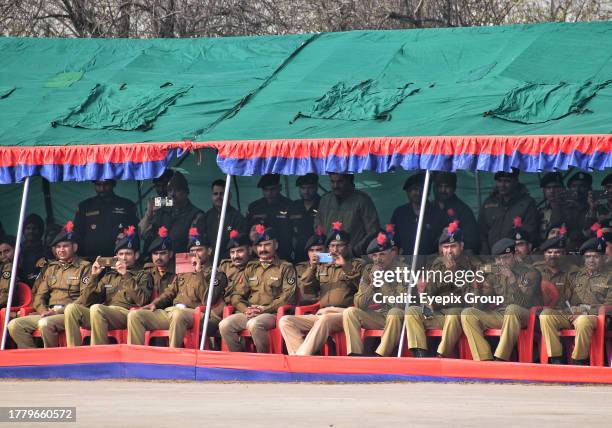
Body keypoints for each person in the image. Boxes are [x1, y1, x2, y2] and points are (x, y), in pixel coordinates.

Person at [128, 227, 227, 347]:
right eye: (192, 250)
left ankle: (172, 357)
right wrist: (155, 303)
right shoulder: (184, 271)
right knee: (136, 315)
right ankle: (135, 358)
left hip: (203, 316)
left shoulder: (217, 274)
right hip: (175, 312)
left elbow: (207, 300)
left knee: (178, 315)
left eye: (199, 250)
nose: (195, 254)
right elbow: (170, 291)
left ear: (210, 251)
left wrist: (199, 272)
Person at [279, 221, 363, 356]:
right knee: (286, 321)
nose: (335, 250)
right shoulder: (323, 266)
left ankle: (300, 359)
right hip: (322, 313)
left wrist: (346, 267)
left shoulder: (357, 265)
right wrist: (312, 268)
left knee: (324, 320)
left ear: (348, 247)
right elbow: (307, 290)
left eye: (339, 246)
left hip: (345, 315)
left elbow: (363, 289)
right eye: (332, 246)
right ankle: (302, 358)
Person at [64, 226, 153, 347]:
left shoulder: (143, 274)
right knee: (71, 308)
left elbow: (142, 301)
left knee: (97, 309)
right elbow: (86, 302)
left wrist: (126, 275)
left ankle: (98, 354)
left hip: (128, 314)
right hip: (103, 314)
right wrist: (94, 276)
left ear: (136, 255)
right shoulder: (109, 276)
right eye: (120, 254)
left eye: (128, 254)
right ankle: (74, 353)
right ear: (116, 256)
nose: (124, 257)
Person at [7, 222, 91, 348]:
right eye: (58, 247)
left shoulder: (85, 267)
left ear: (74, 247)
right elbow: (39, 296)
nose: (61, 250)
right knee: (15, 325)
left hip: (69, 315)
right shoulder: (51, 268)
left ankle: (53, 359)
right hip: (48, 313)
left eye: (65, 246)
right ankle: (34, 361)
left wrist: (57, 311)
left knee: (45, 324)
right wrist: (44, 311)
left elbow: (85, 298)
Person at [404, 221, 480, 358]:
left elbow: (472, 300)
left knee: (453, 313)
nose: (449, 251)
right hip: (440, 314)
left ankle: (441, 356)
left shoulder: (472, 264)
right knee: (412, 312)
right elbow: (428, 294)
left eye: (453, 246)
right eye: (445, 247)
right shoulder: (438, 264)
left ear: (461, 246)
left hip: (462, 315)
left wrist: (455, 273)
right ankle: (420, 356)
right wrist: (427, 309)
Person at [460, 238, 542, 361]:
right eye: (498, 259)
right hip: (503, 315)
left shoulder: (531, 273)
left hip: (528, 316)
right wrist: (477, 286)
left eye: (506, 257)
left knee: (512, 309)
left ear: (515, 255)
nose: (501, 262)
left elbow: (525, 303)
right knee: (468, 314)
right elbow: (480, 306)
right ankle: (484, 359)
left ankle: (501, 358)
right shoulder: (494, 274)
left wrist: (512, 279)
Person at [219, 226, 296, 353]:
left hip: (272, 314)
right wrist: (246, 309)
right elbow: (236, 295)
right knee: (224, 325)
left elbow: (288, 297)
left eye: (267, 245)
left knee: (255, 324)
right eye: (260, 246)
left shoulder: (285, 267)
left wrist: (264, 309)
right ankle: (240, 359)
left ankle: (263, 359)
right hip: (251, 312)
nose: (263, 249)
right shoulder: (251, 268)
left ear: (275, 245)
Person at [539, 233, 612, 365]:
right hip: (572, 314)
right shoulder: (576, 275)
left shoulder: (609, 276)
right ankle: (556, 359)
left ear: (603, 258)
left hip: (596, 317)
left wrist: (584, 310)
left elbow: (609, 305)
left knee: (583, 320)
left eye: (595, 256)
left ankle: (579, 361)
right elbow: (564, 299)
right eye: (588, 256)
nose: (591, 260)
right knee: (546, 315)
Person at [342, 233, 406, 357]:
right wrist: (372, 285)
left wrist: (382, 281)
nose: (378, 259)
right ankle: (355, 355)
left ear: (392, 253)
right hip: (378, 317)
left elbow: (400, 304)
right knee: (350, 312)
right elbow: (359, 304)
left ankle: (380, 356)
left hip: (399, 317)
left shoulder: (403, 270)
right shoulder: (368, 270)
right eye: (375, 255)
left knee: (394, 312)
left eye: (382, 254)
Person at [315, 173, 380, 257]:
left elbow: (373, 231)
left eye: (340, 182)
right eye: (332, 182)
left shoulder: (362, 200)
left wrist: (355, 250)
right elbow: (318, 227)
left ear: (349, 181)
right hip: (329, 257)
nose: (335, 185)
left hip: (354, 257)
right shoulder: (325, 200)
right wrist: (323, 250)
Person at [73, 179, 139, 260]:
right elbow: (77, 233)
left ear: (113, 184)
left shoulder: (126, 204)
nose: (102, 188)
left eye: (106, 184)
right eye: (98, 185)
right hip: (90, 258)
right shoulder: (85, 205)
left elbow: (134, 232)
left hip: (119, 258)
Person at [478, 169, 539, 254]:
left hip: (516, 256)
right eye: (499, 181)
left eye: (507, 181)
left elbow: (530, 233)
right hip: (492, 256)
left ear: (516, 182)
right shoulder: (488, 202)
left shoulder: (527, 203)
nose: (502, 185)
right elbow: (481, 231)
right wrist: (486, 253)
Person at [144, 171, 205, 254]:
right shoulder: (161, 211)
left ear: (186, 192)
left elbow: (193, 245)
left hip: (181, 262)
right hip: (159, 260)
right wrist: (149, 214)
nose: (172, 194)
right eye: (170, 190)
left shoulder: (196, 214)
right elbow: (144, 235)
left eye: (177, 190)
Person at [390, 172, 447, 256]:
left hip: (432, 263)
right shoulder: (399, 213)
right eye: (414, 189)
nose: (418, 193)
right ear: (408, 192)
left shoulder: (438, 213)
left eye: (422, 190)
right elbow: (393, 240)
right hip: (405, 262)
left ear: (427, 192)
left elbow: (445, 241)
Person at [246, 174, 293, 261]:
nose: (269, 193)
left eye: (272, 189)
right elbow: (248, 231)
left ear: (279, 187)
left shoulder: (289, 205)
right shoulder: (254, 207)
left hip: (284, 254)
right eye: (265, 190)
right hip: (261, 254)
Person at [433, 172, 480, 253]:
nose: (443, 190)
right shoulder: (429, 208)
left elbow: (471, 242)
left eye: (447, 186)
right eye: (440, 186)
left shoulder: (463, 210)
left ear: (454, 188)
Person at [199, 179, 247, 258]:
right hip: (208, 264)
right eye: (215, 194)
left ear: (229, 195)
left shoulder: (237, 218)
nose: (218, 196)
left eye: (222, 194)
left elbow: (240, 244)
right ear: (212, 196)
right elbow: (199, 243)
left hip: (230, 263)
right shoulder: (204, 218)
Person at [289, 173, 321, 263]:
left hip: (319, 252)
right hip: (298, 253)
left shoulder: (324, 204)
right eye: (303, 188)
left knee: (321, 275)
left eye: (310, 188)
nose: (306, 191)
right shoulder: (294, 206)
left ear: (316, 187)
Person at [537, 172, 577, 244]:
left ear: (563, 189)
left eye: (556, 187)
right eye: (548, 188)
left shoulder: (573, 208)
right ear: (544, 191)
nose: (552, 191)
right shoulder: (541, 212)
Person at [218, 230, 252, 310]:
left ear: (249, 250)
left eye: (240, 251)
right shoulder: (225, 266)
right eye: (232, 252)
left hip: (241, 309)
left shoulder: (255, 267)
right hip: (221, 308)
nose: (235, 256)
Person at [295, 227, 327, 305]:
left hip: (326, 303)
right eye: (311, 250)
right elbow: (304, 287)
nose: (314, 253)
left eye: (319, 250)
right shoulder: (300, 268)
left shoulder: (332, 266)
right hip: (308, 305)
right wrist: (312, 267)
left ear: (326, 250)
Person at [138, 169, 174, 238]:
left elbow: (172, 201)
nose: (161, 189)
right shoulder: (154, 203)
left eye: (164, 185)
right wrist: (149, 214)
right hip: (154, 244)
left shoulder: (178, 202)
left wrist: (162, 203)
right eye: (157, 186)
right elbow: (141, 232)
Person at [143, 226, 176, 297]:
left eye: (163, 253)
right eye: (155, 253)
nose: (158, 257)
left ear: (170, 254)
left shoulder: (178, 272)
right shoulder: (148, 271)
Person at [19, 214, 46, 287]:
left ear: (41, 231)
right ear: (23, 231)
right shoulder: (17, 250)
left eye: (34, 228)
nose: (31, 231)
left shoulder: (46, 251)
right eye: (28, 228)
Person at [0, 236, 16, 309]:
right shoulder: (3, 266)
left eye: (6, 251)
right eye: (0, 253)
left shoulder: (9, 266)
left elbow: (5, 294)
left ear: (16, 249)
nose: (3, 256)